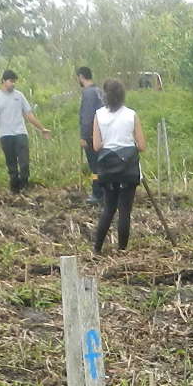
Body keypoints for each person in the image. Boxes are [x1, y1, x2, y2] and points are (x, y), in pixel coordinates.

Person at [90, 79, 142, 254]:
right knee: (125, 210)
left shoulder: (98, 115)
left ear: (106, 96)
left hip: (107, 170)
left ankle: (97, 248)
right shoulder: (131, 115)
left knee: (109, 208)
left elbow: (96, 146)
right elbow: (141, 145)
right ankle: (122, 250)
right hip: (128, 170)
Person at [0, 68, 49, 194]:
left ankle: (24, 186)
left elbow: (29, 115)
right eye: (11, 81)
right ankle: (14, 189)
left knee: (24, 163)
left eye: (14, 81)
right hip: (5, 134)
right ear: (4, 81)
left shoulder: (19, 96)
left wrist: (42, 128)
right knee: (11, 164)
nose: (13, 83)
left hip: (20, 132)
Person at [76, 66, 102, 205]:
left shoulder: (88, 93)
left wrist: (84, 136)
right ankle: (103, 192)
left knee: (95, 166)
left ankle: (97, 194)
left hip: (92, 136)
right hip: (102, 134)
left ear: (81, 77)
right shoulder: (99, 91)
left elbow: (87, 117)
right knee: (100, 164)